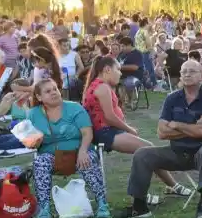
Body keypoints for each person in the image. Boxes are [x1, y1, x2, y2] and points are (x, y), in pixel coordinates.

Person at [118, 60, 202, 218]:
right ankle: (139, 207)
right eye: (184, 71)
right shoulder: (172, 98)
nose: (187, 74)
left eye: (192, 71)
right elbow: (162, 132)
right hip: (177, 152)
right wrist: (192, 127)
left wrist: (177, 125)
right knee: (143, 154)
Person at [82, 56, 191, 197]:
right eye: (118, 70)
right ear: (107, 70)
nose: (120, 73)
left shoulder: (98, 85)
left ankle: (171, 186)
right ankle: (168, 187)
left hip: (107, 131)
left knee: (148, 151)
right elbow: (109, 117)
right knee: (148, 151)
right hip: (105, 133)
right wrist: (129, 129)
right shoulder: (102, 87)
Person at [28, 79, 109, 218]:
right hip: (51, 156)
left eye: (55, 89)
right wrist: (35, 142)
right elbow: (30, 142)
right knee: (40, 162)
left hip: (79, 152)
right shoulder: (33, 114)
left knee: (88, 159)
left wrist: (83, 151)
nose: (53, 92)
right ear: (39, 97)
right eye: (48, 91)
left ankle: (102, 204)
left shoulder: (74, 108)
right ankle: (44, 209)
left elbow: (87, 133)